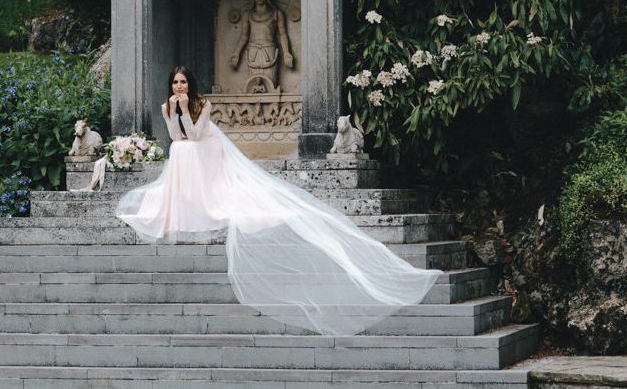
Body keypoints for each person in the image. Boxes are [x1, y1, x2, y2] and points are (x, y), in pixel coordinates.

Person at [115, 66, 442, 336]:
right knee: (179, 149)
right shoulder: (167, 105)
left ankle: (204, 195)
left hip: (209, 148)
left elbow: (199, 135)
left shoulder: (203, 103)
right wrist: (174, 112)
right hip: (188, 149)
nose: (179, 85)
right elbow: (177, 136)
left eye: (183, 81)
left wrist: (186, 109)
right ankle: (181, 202)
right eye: (175, 81)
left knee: (190, 149)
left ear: (191, 84)